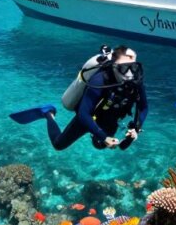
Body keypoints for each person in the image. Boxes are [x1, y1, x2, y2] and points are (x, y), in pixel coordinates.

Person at [13, 46, 148, 151]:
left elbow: (143, 107)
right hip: (89, 117)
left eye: (134, 67)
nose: (130, 73)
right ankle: (48, 113)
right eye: (125, 68)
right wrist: (103, 136)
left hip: (110, 119)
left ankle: (97, 135)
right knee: (58, 145)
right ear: (114, 66)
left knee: (100, 145)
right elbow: (84, 114)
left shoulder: (135, 81)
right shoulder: (99, 80)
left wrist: (136, 128)